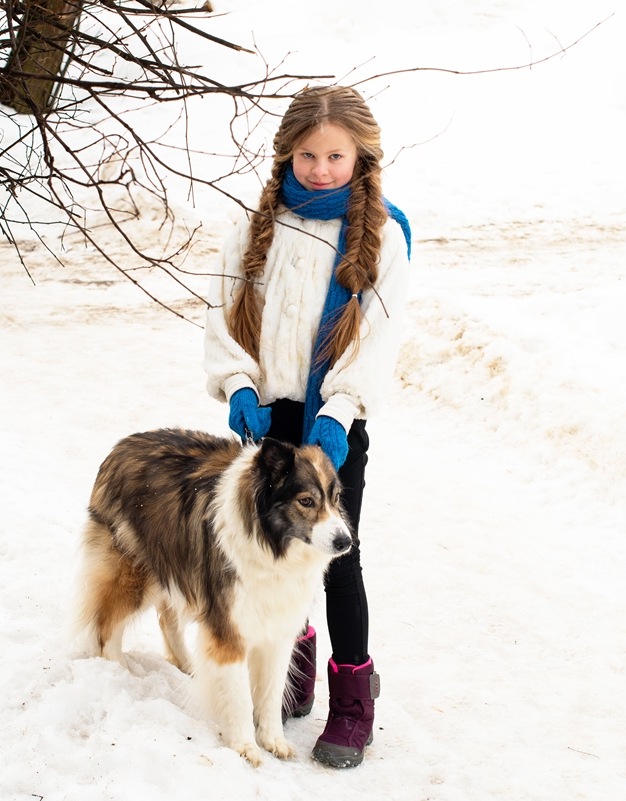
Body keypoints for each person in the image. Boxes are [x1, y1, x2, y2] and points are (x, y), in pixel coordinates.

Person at [203, 85, 411, 768]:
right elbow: (222, 311)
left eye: (335, 156)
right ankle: (285, 673)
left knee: (335, 558)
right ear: (286, 155)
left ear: (361, 158)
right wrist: (239, 384)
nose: (321, 169)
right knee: (268, 552)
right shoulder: (255, 227)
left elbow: (375, 338)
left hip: (334, 420)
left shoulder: (383, 235)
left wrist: (340, 413)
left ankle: (353, 702)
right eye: (308, 156)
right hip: (270, 419)